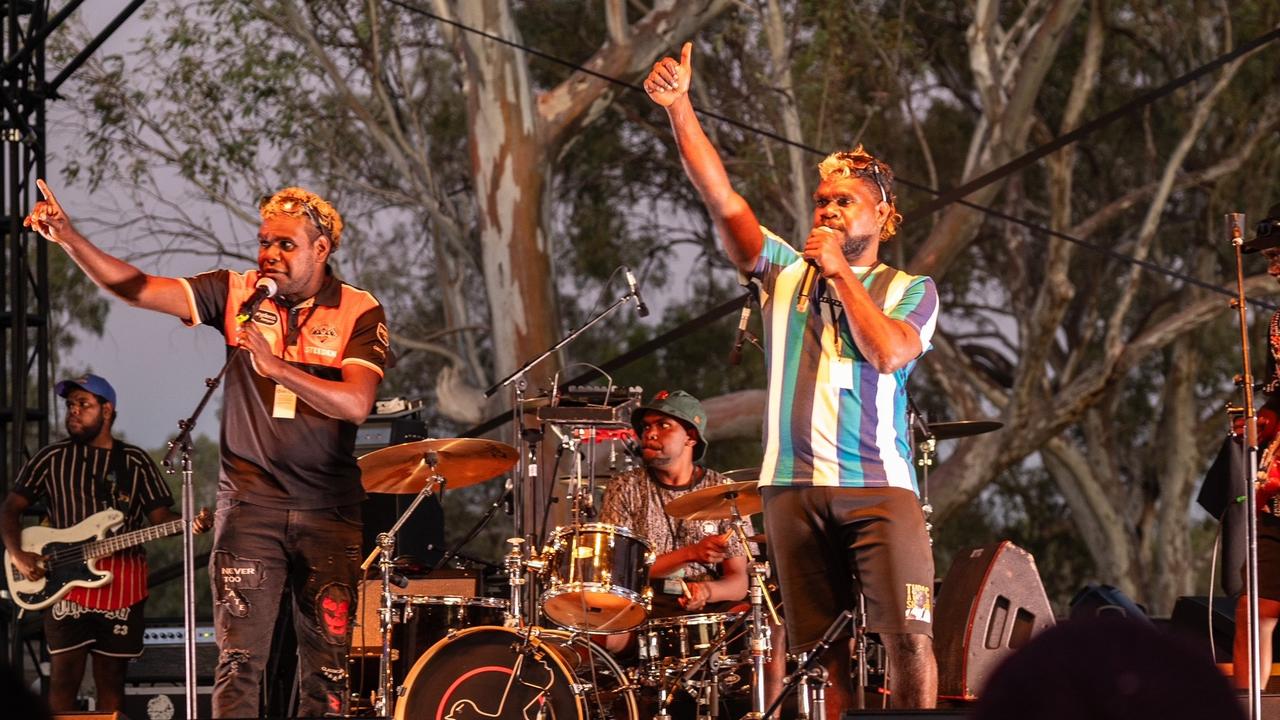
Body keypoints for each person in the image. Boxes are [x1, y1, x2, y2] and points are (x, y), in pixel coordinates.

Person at [644, 44, 941, 715]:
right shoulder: (781, 271)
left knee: (908, 641)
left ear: (883, 218)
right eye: (821, 200)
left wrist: (838, 270)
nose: (828, 209)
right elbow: (722, 199)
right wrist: (680, 108)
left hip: (877, 487)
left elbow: (890, 353)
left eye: (845, 201)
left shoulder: (909, 288)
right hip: (792, 488)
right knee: (823, 651)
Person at [24, 181, 391, 717]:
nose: (270, 254)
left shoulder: (359, 309)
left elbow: (358, 402)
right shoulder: (238, 292)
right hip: (249, 507)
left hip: (329, 511)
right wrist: (70, 238)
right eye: (265, 241)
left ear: (322, 248)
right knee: (239, 664)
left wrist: (276, 367)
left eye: (286, 244)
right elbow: (137, 287)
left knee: (328, 672)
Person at [1, 374, 208, 713]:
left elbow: (160, 520)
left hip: (122, 582)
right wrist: (18, 554)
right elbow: (10, 508)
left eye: (84, 404)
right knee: (64, 676)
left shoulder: (135, 462)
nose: (73, 412)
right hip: (64, 581)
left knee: (111, 678)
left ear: (107, 410)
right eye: (70, 405)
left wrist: (190, 523)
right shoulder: (50, 458)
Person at [1233, 206, 1280, 691]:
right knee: (1255, 608)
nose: (1271, 268)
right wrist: (1258, 421)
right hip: (1277, 486)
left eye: (1277, 255)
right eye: (1268, 257)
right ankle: (1250, 710)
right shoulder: (1278, 324)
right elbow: (1276, 395)